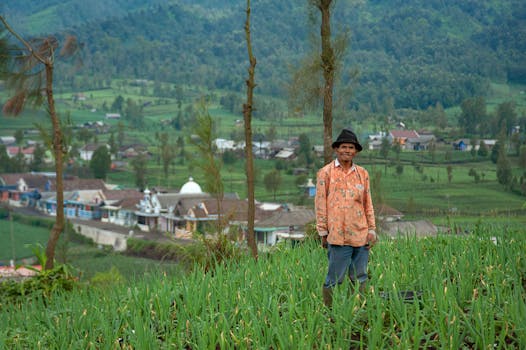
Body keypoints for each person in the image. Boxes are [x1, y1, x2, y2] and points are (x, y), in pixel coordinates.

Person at [315, 128, 377, 308]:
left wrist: (372, 229)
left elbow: (368, 203)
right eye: (343, 147)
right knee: (334, 278)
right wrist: (323, 231)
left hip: (360, 233)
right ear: (336, 149)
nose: (347, 150)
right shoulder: (326, 173)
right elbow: (320, 203)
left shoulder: (362, 174)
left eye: (351, 147)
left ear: (356, 151)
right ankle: (330, 312)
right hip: (338, 236)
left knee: (360, 276)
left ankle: (357, 310)